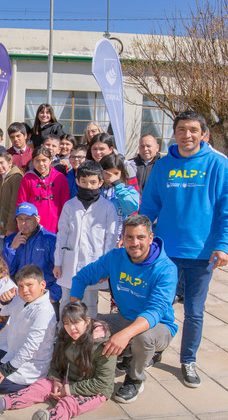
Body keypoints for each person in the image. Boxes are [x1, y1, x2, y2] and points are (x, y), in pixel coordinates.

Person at [140, 110, 227, 388]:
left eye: (193, 130)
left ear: (204, 134)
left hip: (202, 254)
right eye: (181, 130)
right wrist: (140, 236)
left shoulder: (218, 164)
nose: (187, 135)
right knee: (160, 304)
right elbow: (150, 205)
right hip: (165, 251)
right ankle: (155, 347)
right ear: (174, 134)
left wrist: (223, 245)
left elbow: (226, 209)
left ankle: (188, 359)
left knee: (194, 311)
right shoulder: (163, 166)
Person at [70, 215, 177, 402]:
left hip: (159, 325)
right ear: (123, 238)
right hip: (125, 316)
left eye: (141, 237)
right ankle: (121, 358)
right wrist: (74, 310)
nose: (135, 243)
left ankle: (135, 378)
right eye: (129, 237)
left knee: (142, 338)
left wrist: (125, 334)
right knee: (88, 327)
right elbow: (82, 277)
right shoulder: (116, 257)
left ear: (150, 238)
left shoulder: (166, 269)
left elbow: (155, 311)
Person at [0, 302, 116, 419]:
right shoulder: (66, 336)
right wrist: (55, 379)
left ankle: (50, 417)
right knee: (41, 386)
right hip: (68, 381)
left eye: (76, 322)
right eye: (67, 323)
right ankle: (1, 403)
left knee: (69, 403)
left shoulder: (103, 346)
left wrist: (69, 390)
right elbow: (56, 361)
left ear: (86, 321)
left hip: (95, 391)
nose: (71, 328)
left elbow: (102, 383)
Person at [0, 265, 57, 393]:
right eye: (20, 286)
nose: (24, 290)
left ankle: (35, 383)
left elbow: (30, 347)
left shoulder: (44, 311)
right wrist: (3, 301)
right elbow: (1, 311)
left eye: (29, 285)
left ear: (42, 284)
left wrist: (6, 369)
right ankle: (8, 369)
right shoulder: (20, 298)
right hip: (13, 350)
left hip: (32, 362)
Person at [53, 161, 117, 319]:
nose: (88, 186)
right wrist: (58, 262)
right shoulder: (69, 206)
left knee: (89, 305)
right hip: (69, 264)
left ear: (101, 182)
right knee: (67, 302)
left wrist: (106, 268)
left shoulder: (108, 207)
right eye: (84, 182)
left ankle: (88, 341)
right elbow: (62, 235)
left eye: (93, 182)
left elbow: (111, 239)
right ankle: (63, 338)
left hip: (93, 264)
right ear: (77, 181)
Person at [3, 203, 59, 311]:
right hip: (20, 294)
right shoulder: (11, 240)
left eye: (28, 219)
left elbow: (61, 270)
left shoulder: (50, 240)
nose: (23, 223)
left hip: (44, 295)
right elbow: (5, 272)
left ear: (37, 219)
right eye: (20, 219)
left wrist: (54, 295)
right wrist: (11, 249)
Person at [16, 147, 70, 234]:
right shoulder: (27, 178)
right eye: (37, 160)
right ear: (32, 161)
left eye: (44, 160)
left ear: (50, 160)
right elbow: (21, 202)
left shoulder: (60, 177)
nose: (41, 164)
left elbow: (65, 202)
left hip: (55, 221)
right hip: (33, 222)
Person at [100, 153, 140, 237]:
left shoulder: (128, 190)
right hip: (98, 238)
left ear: (121, 173)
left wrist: (118, 185)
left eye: (115, 173)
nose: (112, 177)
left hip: (118, 238)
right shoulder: (97, 190)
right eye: (107, 174)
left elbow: (131, 208)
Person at [0, 152, 24, 247]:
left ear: (9, 162)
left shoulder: (16, 177)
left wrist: (10, 227)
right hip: (0, 226)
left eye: (1, 163)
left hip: (9, 227)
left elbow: (14, 204)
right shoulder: (1, 179)